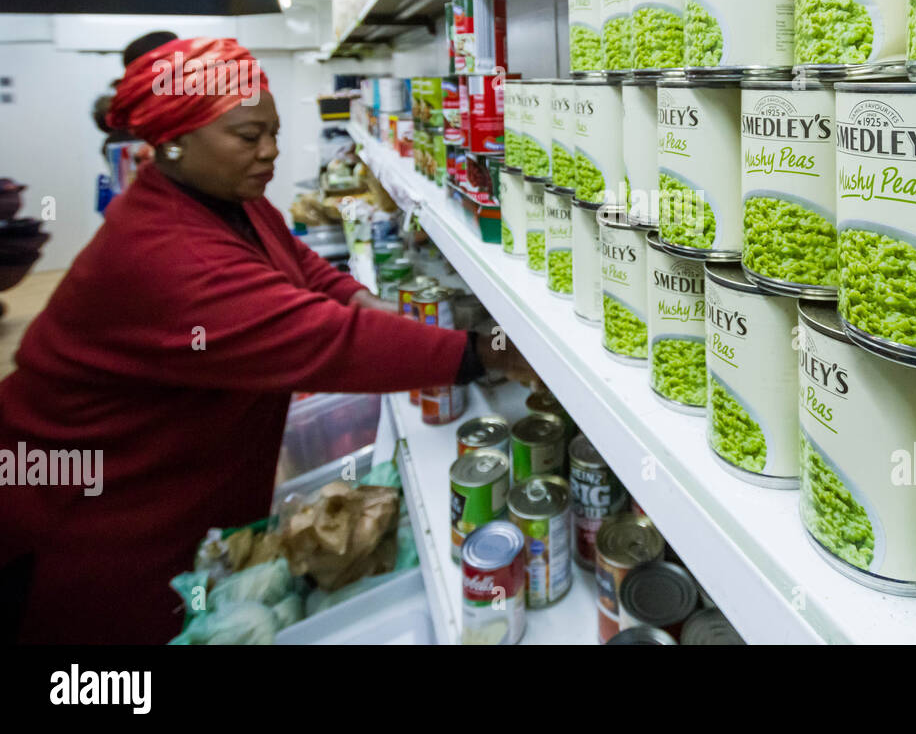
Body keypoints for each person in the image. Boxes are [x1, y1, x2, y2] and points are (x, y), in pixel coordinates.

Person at [0, 37, 530, 644]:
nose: (271, 152)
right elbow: (323, 343)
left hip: (175, 495)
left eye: (274, 132)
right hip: (88, 517)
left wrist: (366, 299)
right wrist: (485, 351)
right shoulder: (165, 251)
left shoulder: (221, 200)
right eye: (248, 137)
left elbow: (299, 266)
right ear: (175, 140)